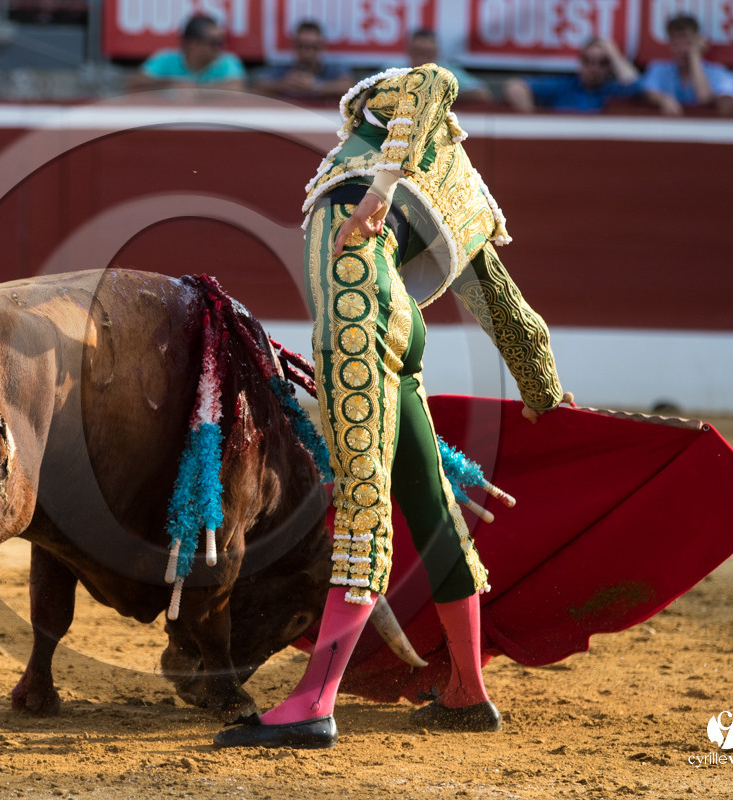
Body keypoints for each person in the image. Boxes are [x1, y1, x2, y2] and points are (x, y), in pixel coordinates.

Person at [214, 64, 571, 750]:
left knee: (363, 503)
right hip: (398, 317)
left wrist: (378, 188)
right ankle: (467, 690)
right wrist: (541, 387)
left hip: (356, 310)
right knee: (430, 504)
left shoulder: (383, 145)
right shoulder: (451, 181)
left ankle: (315, 702)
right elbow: (508, 307)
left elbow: (434, 79)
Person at [503, 37, 640, 113]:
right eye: (588, 61)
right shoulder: (563, 86)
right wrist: (533, 123)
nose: (594, 68)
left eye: (602, 63)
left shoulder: (614, 89)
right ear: (580, 62)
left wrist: (615, 55)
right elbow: (515, 87)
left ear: (610, 66)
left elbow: (638, 87)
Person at [640, 15, 732, 115]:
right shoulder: (658, 68)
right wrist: (663, 99)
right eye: (676, 44)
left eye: (687, 43)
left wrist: (695, 56)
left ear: (698, 42)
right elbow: (649, 92)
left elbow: (705, 98)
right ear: (670, 44)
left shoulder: (717, 71)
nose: (682, 49)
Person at [128, 14, 245, 92]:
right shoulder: (166, 59)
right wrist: (170, 84)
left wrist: (195, 90)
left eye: (222, 41)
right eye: (215, 43)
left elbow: (237, 89)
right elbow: (135, 84)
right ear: (193, 44)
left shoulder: (227, 61)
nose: (220, 47)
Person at [254, 20, 353, 100]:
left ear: (322, 46)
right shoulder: (282, 68)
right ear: (294, 46)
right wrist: (282, 85)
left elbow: (349, 87)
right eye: (302, 46)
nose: (307, 52)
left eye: (313, 47)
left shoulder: (333, 68)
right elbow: (259, 86)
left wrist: (317, 86)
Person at [406, 29, 492, 104]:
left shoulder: (450, 72)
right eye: (418, 52)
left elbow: (482, 94)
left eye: (428, 53)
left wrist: (443, 95)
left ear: (436, 52)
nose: (422, 58)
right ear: (409, 51)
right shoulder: (398, 72)